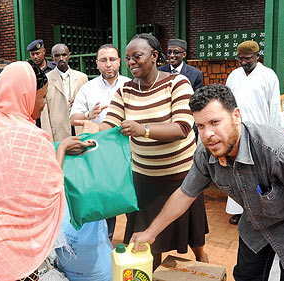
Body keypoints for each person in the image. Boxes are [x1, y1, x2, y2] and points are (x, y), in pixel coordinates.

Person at [131, 84, 284, 281]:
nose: (208, 134)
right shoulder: (205, 153)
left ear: (236, 116)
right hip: (255, 225)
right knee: (245, 276)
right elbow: (185, 194)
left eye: (215, 122)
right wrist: (150, 232)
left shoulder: (278, 148)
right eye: (200, 126)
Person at [0, 62, 92, 280]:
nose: (43, 105)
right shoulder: (29, 136)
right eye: (41, 97)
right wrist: (64, 148)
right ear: (24, 95)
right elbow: (48, 191)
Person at [75, 33, 209, 269]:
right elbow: (110, 125)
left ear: (155, 56)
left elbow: (182, 127)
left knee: (195, 242)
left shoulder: (177, 84)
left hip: (181, 179)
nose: (131, 62)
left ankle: (209, 270)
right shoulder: (125, 90)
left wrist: (142, 129)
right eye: (127, 58)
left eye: (137, 56)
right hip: (144, 180)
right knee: (147, 245)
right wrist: (92, 132)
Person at [70, 44, 130, 240]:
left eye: (112, 59)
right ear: (97, 64)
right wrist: (88, 115)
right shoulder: (88, 88)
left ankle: (134, 240)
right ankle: (106, 240)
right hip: (100, 152)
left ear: (119, 61)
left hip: (127, 149)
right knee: (106, 198)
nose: (108, 64)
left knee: (131, 193)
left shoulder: (130, 85)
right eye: (103, 60)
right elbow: (73, 117)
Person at [225, 40, 281, 225]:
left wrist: (274, 135)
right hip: (237, 132)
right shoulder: (234, 75)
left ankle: (260, 212)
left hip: (260, 133)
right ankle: (239, 211)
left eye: (247, 58)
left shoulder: (268, 75)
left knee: (259, 173)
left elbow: (273, 107)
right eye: (240, 59)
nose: (243, 62)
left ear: (258, 56)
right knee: (237, 173)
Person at [41, 43, 88, 141]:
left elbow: (88, 105)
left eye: (64, 55)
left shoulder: (82, 77)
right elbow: (44, 112)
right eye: (57, 56)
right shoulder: (46, 79)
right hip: (58, 132)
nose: (61, 58)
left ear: (69, 55)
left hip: (80, 129)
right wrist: (48, 138)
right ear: (52, 58)